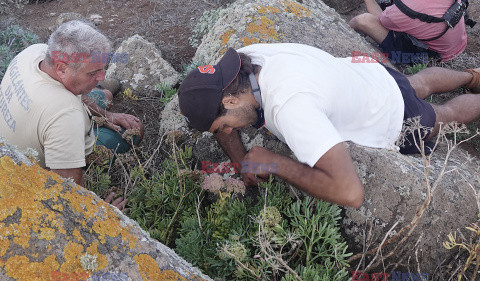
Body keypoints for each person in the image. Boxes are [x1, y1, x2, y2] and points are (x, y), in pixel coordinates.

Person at [178, 43, 480, 208]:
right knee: (418, 82)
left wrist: (274, 163)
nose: (228, 133)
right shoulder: (247, 60)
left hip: (389, 112)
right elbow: (223, 122)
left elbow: (350, 193)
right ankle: (472, 76)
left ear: (230, 100)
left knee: (442, 115)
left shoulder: (290, 106)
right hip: (367, 73)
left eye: (223, 126)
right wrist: (240, 162)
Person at [0, 20, 143, 209]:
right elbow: (69, 197)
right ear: (61, 69)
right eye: (93, 72)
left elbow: (73, 98)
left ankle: (102, 95)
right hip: (39, 167)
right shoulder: (66, 115)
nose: (102, 76)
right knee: (132, 132)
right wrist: (103, 214)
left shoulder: (35, 53)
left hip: (37, 118)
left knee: (105, 95)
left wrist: (107, 116)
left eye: (102, 69)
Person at [349, 0, 468, 65]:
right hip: (457, 42)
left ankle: (345, 32)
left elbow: (380, 20)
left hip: (428, 58)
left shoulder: (405, 10)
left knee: (363, 20)